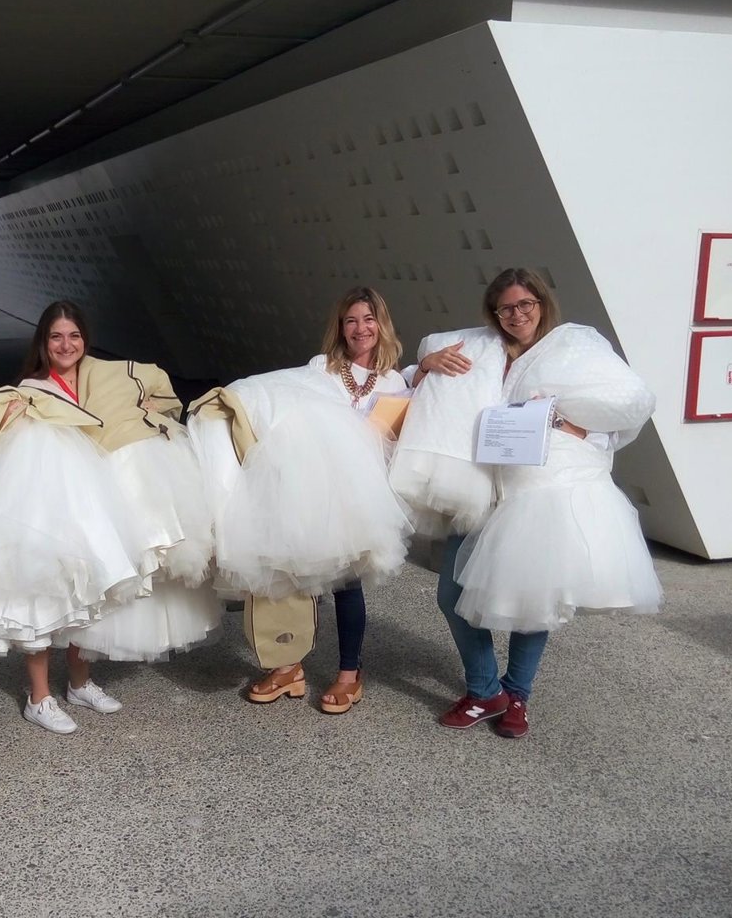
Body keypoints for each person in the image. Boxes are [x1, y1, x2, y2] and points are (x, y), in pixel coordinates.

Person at [0, 300, 220, 734]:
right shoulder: (29, 391)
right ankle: (39, 696)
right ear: (43, 344)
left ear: (85, 340)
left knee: (93, 590)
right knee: (42, 589)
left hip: (95, 502)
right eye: (56, 336)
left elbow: (149, 396)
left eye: (74, 336)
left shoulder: (102, 383)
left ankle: (80, 682)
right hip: (46, 504)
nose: (66, 344)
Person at [399, 268, 659, 738]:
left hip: (535, 491)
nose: (516, 315)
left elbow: (623, 405)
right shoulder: (478, 349)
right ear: (493, 313)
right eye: (506, 308)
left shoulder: (573, 350)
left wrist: (589, 431)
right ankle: (484, 689)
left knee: (534, 596)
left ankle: (516, 695)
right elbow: (410, 386)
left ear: (542, 303)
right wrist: (423, 367)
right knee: (451, 594)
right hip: (478, 487)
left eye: (525, 305)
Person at [188, 287, 412, 712]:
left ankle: (349, 673)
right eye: (351, 321)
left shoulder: (394, 381)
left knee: (347, 583)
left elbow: (394, 438)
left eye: (368, 320)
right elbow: (280, 403)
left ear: (382, 325)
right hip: (306, 486)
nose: (360, 329)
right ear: (340, 327)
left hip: (357, 493)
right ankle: (287, 664)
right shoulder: (320, 368)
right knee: (289, 574)